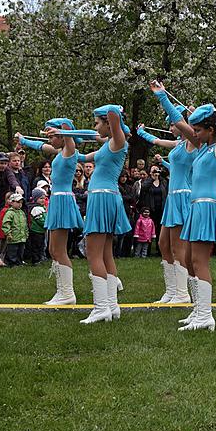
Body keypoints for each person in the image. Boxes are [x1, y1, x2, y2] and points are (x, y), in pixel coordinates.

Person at [56, 105, 131, 324]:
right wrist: (64, 135)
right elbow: (79, 155)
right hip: (106, 197)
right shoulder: (108, 146)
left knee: (93, 253)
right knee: (106, 254)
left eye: (98, 122)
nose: (95, 127)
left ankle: (101, 308)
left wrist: (113, 111)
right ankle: (112, 306)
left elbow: (114, 117)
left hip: (102, 198)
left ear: (109, 122)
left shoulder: (119, 141)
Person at [137, 81, 200, 305]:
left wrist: (163, 97)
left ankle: (182, 292)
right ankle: (172, 290)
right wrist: (141, 133)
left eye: (173, 125)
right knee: (163, 244)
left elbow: (180, 122)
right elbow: (155, 140)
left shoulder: (194, 142)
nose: (172, 127)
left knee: (177, 246)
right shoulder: (179, 145)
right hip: (173, 197)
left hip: (184, 196)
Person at [178, 103, 216, 331]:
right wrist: (163, 96)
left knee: (199, 262)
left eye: (199, 130)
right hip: (196, 207)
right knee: (188, 261)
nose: (195, 134)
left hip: (207, 206)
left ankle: (206, 315)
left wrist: (213, 112)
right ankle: (198, 310)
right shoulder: (201, 148)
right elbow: (181, 125)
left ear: (211, 129)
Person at [19, 118, 88, 305]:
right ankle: (62, 291)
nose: (49, 139)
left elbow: (68, 129)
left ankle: (67, 294)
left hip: (63, 200)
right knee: (53, 249)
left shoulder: (69, 150)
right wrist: (23, 140)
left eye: (52, 135)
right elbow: (40, 147)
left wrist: (60, 128)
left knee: (59, 249)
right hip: (57, 200)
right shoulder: (60, 152)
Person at [140, 164, 167, 255]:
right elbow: (144, 188)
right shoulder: (148, 181)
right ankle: (147, 251)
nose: (156, 172)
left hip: (161, 209)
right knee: (148, 230)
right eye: (153, 170)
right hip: (151, 209)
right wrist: (152, 178)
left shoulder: (163, 182)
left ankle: (160, 250)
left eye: (157, 170)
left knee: (160, 230)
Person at [1, 193, 28, 267]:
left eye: (21, 202)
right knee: (12, 251)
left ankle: (19, 262)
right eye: (18, 202)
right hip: (13, 237)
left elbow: (25, 224)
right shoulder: (10, 213)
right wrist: (8, 233)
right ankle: (12, 263)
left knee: (20, 251)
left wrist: (26, 233)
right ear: (12, 202)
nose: (20, 204)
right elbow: (6, 224)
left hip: (22, 237)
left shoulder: (21, 212)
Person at [28, 188, 48, 264]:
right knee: (36, 246)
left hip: (41, 231)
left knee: (41, 245)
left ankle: (40, 258)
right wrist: (46, 224)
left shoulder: (42, 208)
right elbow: (40, 220)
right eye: (41, 198)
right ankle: (35, 260)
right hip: (36, 231)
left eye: (44, 198)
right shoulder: (36, 208)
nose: (43, 200)